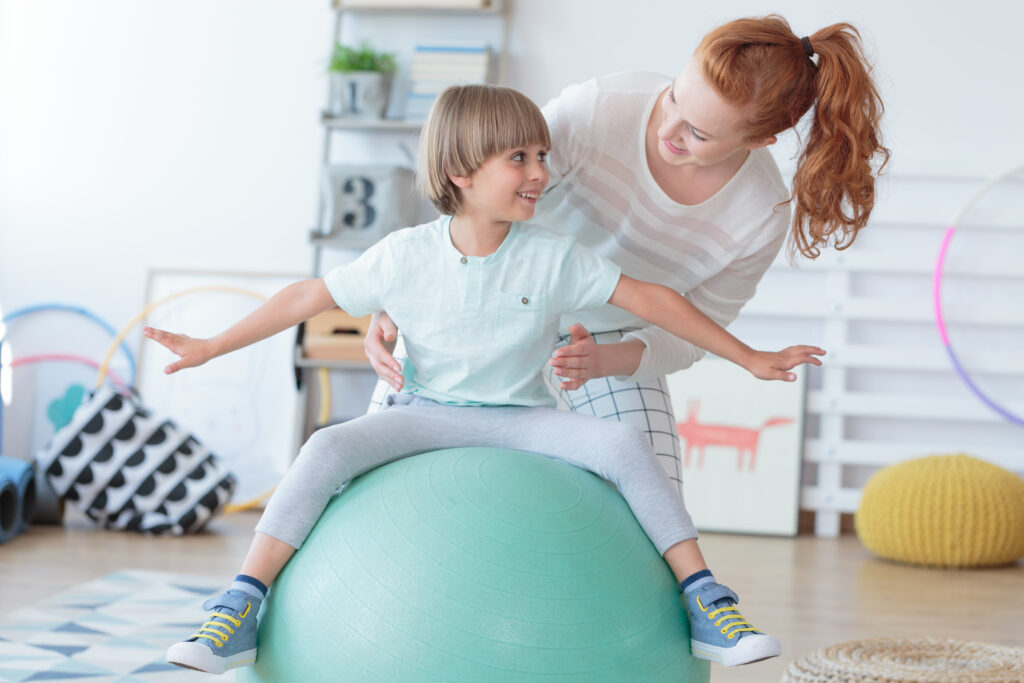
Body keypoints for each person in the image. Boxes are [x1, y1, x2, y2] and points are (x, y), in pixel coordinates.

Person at [153, 85, 823, 675]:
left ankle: (706, 598)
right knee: (326, 448)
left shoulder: (554, 256)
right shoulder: (404, 255)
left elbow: (654, 301)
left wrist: (750, 357)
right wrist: (212, 344)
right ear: (460, 172)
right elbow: (305, 297)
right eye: (521, 159)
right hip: (421, 412)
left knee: (623, 446)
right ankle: (240, 601)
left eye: (542, 155)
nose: (542, 172)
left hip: (525, 417)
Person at [364, 15, 890, 494]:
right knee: (375, 459)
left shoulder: (758, 215)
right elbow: (477, 198)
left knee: (651, 490)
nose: (668, 130)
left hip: (606, 338)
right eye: (674, 99)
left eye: (697, 133)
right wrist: (408, 296)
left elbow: (687, 332)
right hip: (484, 298)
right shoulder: (600, 108)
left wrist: (604, 361)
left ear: (762, 140)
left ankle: (695, 594)